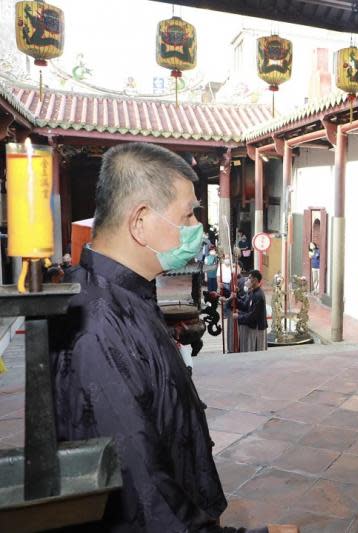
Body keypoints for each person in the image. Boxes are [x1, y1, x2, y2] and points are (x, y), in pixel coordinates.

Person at [48, 142, 294, 533]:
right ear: (140, 222)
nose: (198, 225)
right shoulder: (97, 330)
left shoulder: (126, 295)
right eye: (188, 213)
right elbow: (143, 502)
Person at [235, 270, 268, 352]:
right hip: (253, 326)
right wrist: (235, 297)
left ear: (256, 280)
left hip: (258, 328)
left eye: (250, 278)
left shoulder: (259, 295)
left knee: (258, 351)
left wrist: (238, 317)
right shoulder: (252, 292)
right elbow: (245, 306)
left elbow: (253, 316)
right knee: (252, 349)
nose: (247, 280)